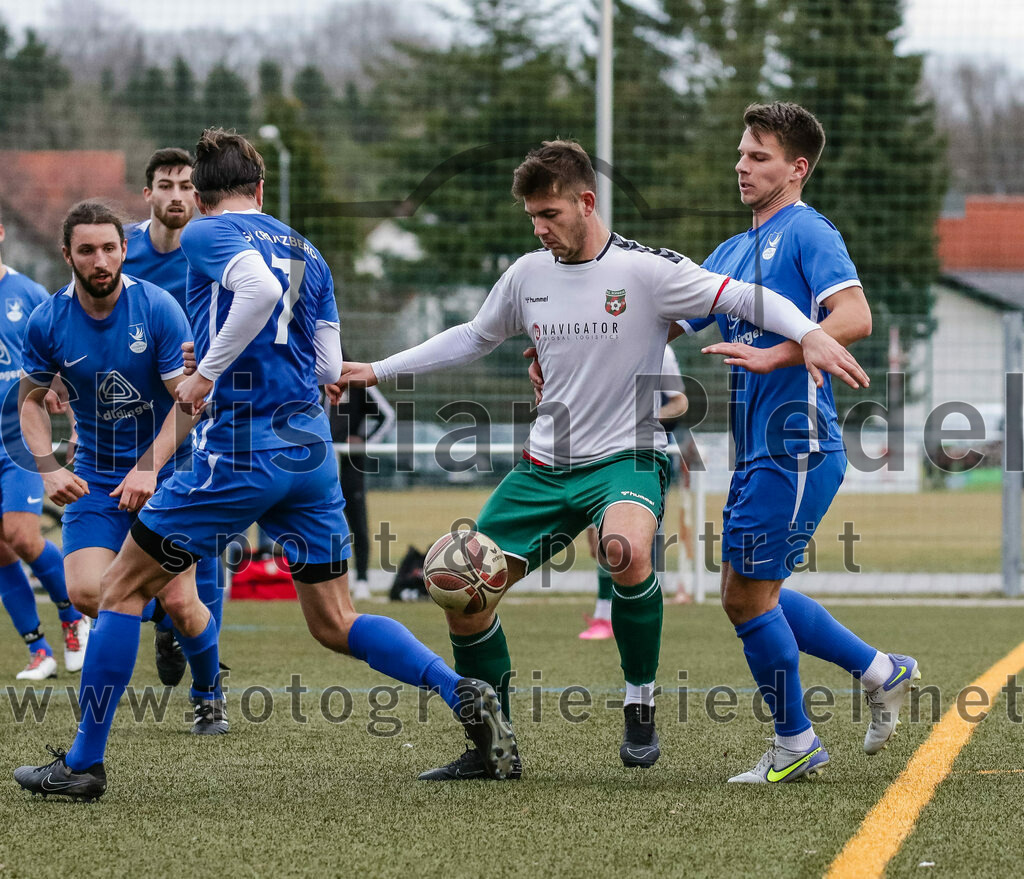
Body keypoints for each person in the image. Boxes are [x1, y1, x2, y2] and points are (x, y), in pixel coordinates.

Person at [335, 139, 868, 781]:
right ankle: (490, 744)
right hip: (543, 468)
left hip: (628, 458)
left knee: (624, 550)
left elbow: (749, 300)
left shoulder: (647, 271)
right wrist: (378, 370)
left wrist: (809, 335)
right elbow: (474, 336)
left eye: (551, 214)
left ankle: (640, 703)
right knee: (459, 590)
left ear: (587, 202)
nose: (540, 228)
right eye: (532, 217)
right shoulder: (527, 275)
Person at [13, 130, 517, 802]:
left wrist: (207, 374)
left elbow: (251, 289)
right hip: (309, 450)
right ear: (259, 185)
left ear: (201, 192)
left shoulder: (204, 235)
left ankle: (83, 762)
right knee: (335, 621)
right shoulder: (306, 249)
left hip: (240, 447)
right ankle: (459, 689)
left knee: (119, 591)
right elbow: (330, 368)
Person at [679, 102, 920, 782]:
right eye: (741, 153)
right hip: (756, 450)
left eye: (759, 156)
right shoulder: (729, 250)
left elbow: (855, 315)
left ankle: (796, 740)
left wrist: (781, 354)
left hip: (798, 444)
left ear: (797, 167)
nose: (742, 165)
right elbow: (669, 316)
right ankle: (882, 669)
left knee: (744, 596)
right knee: (752, 590)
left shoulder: (810, 231)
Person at [16, 201, 225, 743]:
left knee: (183, 601)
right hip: (96, 480)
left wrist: (149, 469)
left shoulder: (157, 309)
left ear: (124, 250)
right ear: (68, 256)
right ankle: (160, 622)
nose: (100, 259)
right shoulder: (49, 321)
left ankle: (208, 696)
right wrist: (45, 469)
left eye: (109, 248)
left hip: (169, 479)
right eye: (86, 250)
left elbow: (186, 403)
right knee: (87, 591)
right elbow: (31, 402)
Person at [124, 147, 226, 687]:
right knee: (110, 568)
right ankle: (167, 616)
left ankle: (209, 667)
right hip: (126, 424)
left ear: (199, 194)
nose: (178, 195)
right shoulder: (121, 249)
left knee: (207, 541)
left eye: (188, 185)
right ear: (149, 194)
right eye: (166, 185)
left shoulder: (211, 250)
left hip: (198, 418)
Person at [0, 208, 88, 680]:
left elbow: (61, 365)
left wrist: (74, 423)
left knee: (20, 536)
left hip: (17, 440)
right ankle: (39, 650)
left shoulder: (28, 295)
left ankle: (74, 617)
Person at [578, 344, 688, 641]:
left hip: (640, 458)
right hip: (591, 451)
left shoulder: (660, 348)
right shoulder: (588, 340)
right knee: (599, 543)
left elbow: (679, 402)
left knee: (633, 543)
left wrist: (645, 422)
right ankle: (607, 614)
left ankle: (618, 617)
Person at [327, 353, 396, 600]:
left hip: (350, 464)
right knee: (313, 520)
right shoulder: (305, 377)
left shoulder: (354, 380)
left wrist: (363, 442)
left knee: (356, 519)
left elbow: (387, 416)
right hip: (316, 465)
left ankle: (363, 579)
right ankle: (319, 580)